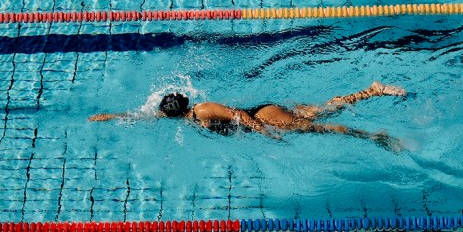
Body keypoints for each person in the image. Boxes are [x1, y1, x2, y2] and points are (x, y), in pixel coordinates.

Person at [89, 82, 407, 150]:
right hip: (265, 116)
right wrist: (112, 116)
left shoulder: (201, 110)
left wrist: (266, 133)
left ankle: (371, 136)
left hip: (265, 117)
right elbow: (143, 116)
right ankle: (372, 91)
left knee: (317, 127)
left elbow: (239, 114)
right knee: (322, 109)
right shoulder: (184, 116)